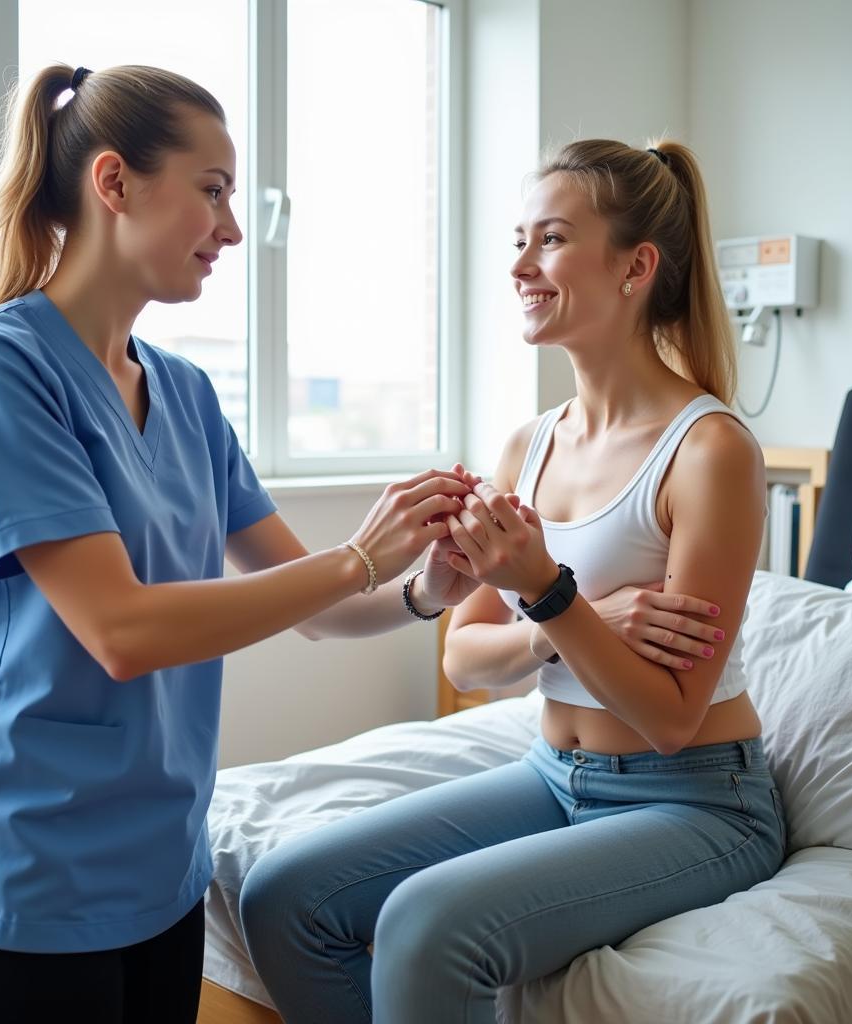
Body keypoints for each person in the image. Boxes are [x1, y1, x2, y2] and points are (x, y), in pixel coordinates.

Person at [0, 63, 485, 1024]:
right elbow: (121, 630)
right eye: (211, 190)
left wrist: (430, 583)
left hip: (161, 866)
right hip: (27, 875)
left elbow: (322, 606)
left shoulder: (186, 393)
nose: (232, 227)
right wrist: (359, 556)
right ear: (113, 182)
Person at [239, 139, 786, 1024]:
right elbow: (466, 658)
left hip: (697, 801)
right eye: (518, 239)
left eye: (552, 241)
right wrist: (552, 621)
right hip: (554, 771)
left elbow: (671, 716)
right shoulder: (527, 446)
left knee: (425, 923)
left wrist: (550, 590)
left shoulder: (710, 450)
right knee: (284, 895)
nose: (520, 266)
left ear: (635, 267)